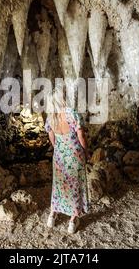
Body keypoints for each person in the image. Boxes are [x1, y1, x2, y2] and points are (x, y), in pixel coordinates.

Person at [44, 88, 89, 234]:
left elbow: (52, 138)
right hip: (74, 155)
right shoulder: (72, 113)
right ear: (62, 98)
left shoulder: (50, 117)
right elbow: (81, 136)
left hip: (59, 156)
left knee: (59, 186)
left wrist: (59, 148)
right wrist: (85, 151)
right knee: (75, 186)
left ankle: (52, 216)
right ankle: (72, 221)